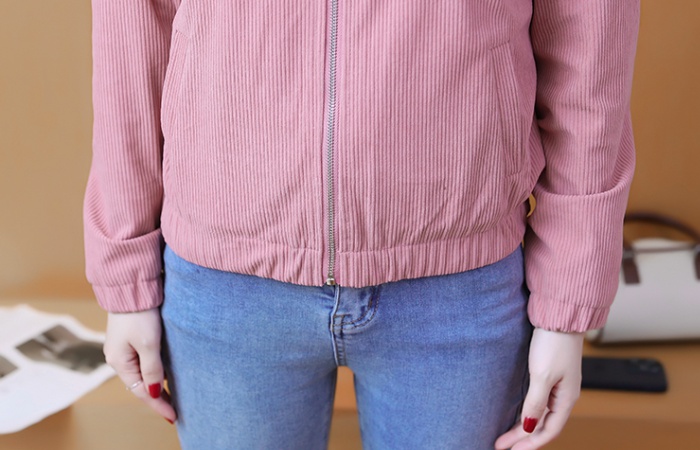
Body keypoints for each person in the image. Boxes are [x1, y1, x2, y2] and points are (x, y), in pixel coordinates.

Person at [84, 1, 640, 449]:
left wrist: (568, 305)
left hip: (458, 287)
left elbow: (589, 68)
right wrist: (126, 275)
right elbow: (130, 44)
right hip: (227, 285)